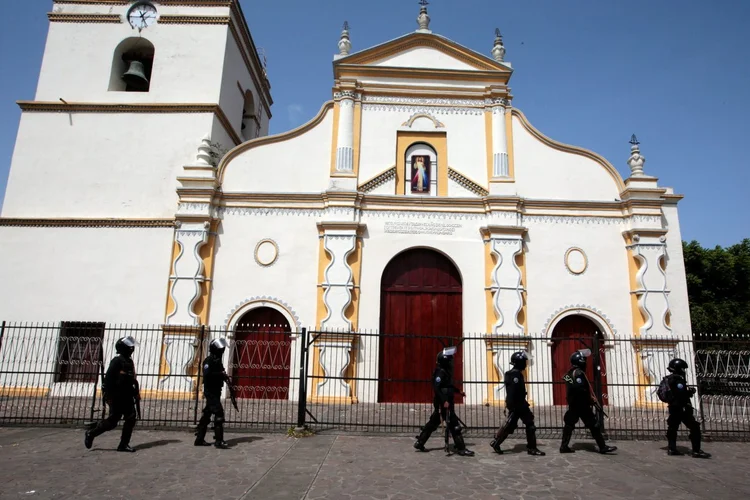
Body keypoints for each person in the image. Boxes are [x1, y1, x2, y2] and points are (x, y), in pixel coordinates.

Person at [414, 346, 474, 456]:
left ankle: (420, 442)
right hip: (444, 403)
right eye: (450, 360)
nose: (452, 363)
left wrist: (458, 391)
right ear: (445, 361)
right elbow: (437, 388)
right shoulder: (440, 372)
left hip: (445, 403)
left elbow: (448, 386)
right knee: (454, 425)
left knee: (433, 423)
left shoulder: (445, 372)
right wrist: (444, 401)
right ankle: (461, 448)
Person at [85, 336, 140, 452]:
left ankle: (123, 444)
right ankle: (91, 433)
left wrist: (136, 393)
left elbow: (132, 379)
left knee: (131, 418)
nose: (132, 349)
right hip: (117, 396)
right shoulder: (117, 361)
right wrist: (108, 396)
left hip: (128, 396)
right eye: (129, 347)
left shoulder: (129, 362)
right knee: (112, 422)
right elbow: (108, 380)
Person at [560, 349, 617, 454]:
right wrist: (590, 400)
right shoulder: (578, 373)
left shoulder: (570, 373)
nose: (585, 361)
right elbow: (580, 389)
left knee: (569, 424)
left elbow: (568, 383)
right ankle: (602, 446)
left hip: (574, 404)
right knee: (593, 425)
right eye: (584, 359)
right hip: (581, 405)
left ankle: (564, 446)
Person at [490, 351, 545, 456]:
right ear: (519, 362)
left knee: (515, 426)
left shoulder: (513, 373)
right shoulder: (515, 375)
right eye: (524, 361)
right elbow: (513, 393)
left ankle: (497, 443)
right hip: (518, 405)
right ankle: (531, 448)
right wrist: (512, 406)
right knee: (520, 426)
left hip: (519, 405)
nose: (525, 363)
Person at [662, 358, 710, 458]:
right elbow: (680, 393)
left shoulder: (669, 378)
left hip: (673, 407)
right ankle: (696, 450)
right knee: (695, 427)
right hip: (681, 407)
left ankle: (672, 448)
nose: (684, 370)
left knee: (672, 427)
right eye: (683, 368)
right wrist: (689, 392)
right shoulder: (677, 379)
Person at [195, 338, 232, 449]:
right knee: (219, 413)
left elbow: (221, 372)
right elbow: (207, 375)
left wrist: (224, 376)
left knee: (207, 413)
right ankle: (219, 441)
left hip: (216, 391)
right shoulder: (208, 361)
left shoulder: (217, 361)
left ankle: (199, 439)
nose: (222, 350)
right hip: (210, 391)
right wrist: (220, 374)